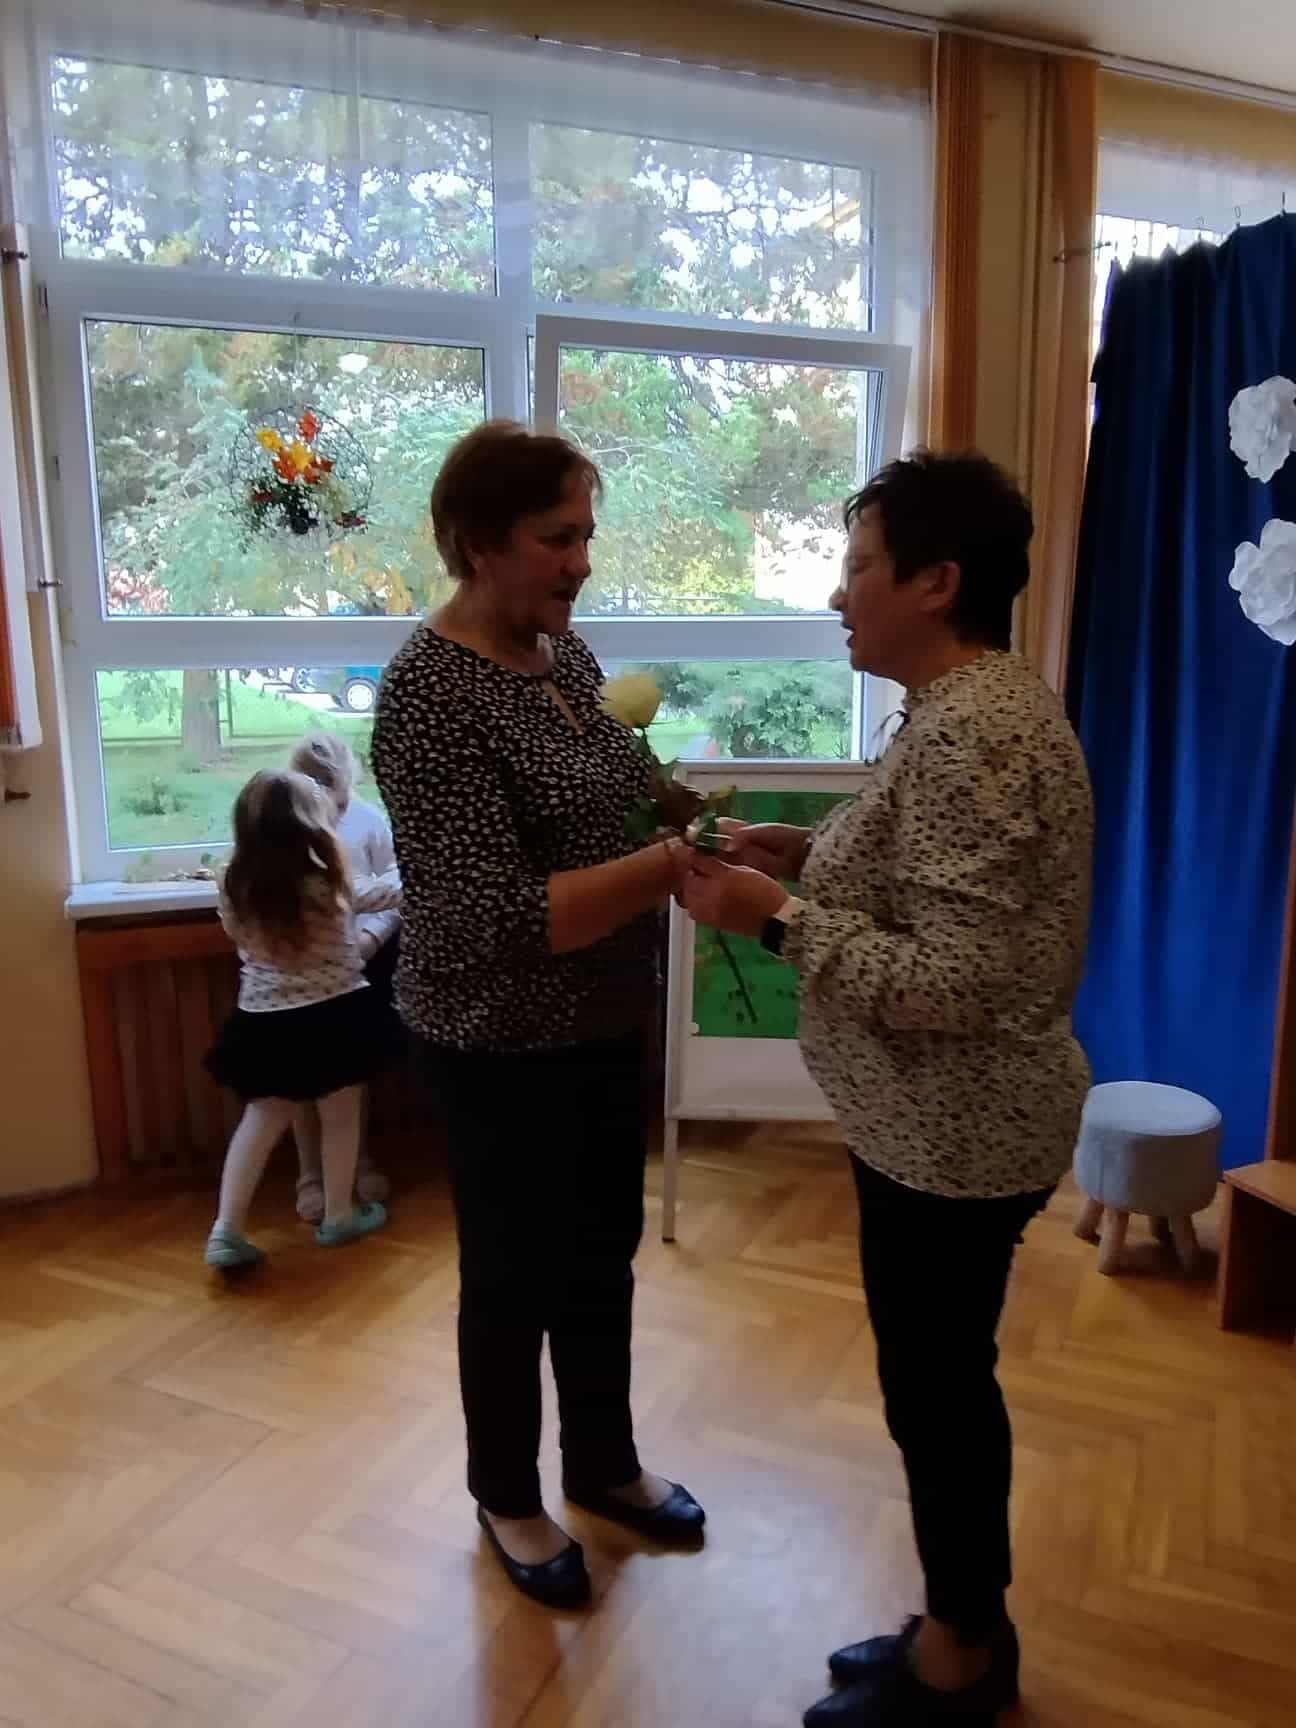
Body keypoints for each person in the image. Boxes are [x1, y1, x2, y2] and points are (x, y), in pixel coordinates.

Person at [684, 451, 1093, 1728]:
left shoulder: (974, 734)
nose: (836, 594)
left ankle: (962, 1658)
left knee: (939, 1398)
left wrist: (773, 918)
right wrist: (806, 856)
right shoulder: (964, 711)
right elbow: (936, 894)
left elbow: (959, 980)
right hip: (928, 1128)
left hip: (955, 1139)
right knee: (937, 1387)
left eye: (858, 567)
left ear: (937, 582)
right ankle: (965, 1622)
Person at [371, 420, 704, 1611]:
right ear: (477, 542)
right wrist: (670, 866)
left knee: (601, 1257)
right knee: (513, 1276)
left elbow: (615, 785)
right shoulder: (426, 695)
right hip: (495, 1040)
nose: (581, 562)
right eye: (557, 538)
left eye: (586, 536)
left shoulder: (565, 655)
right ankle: (507, 1493)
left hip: (605, 1018)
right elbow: (502, 916)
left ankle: (602, 1463)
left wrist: (692, 813)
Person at [204, 768, 400, 1268]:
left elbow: (235, 935)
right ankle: (339, 1215)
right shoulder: (326, 877)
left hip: (265, 1017)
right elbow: (382, 896)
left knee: (261, 1120)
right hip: (335, 1013)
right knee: (341, 1117)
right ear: (308, 822)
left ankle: (226, 1229)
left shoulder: (233, 881)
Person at [288, 731, 400, 1223]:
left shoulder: (370, 821)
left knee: (353, 1071)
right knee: (301, 1076)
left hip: (357, 966)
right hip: (299, 972)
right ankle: (309, 1174)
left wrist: (371, 938)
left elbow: (390, 888)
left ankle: (359, 1160)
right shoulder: (285, 822)